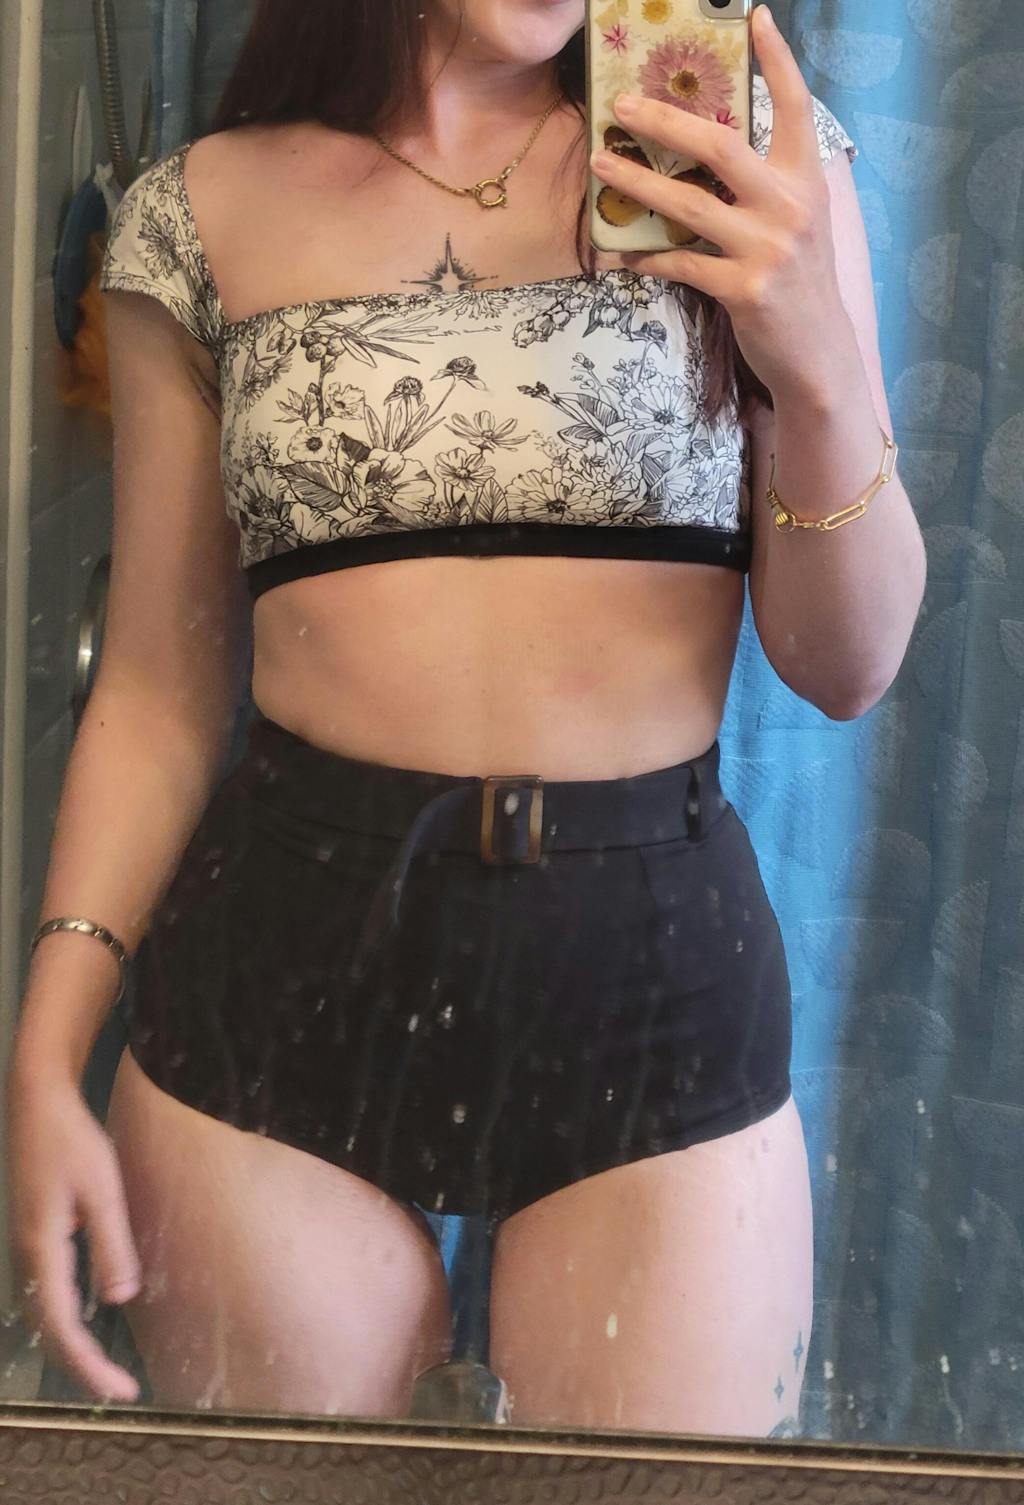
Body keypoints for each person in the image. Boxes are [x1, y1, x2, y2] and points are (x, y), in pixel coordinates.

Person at [6, 0, 925, 1435]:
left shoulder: (753, 173)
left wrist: (813, 364)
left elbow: (848, 665)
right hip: (280, 970)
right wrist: (46, 1055)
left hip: (654, 972)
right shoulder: (198, 215)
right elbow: (158, 688)